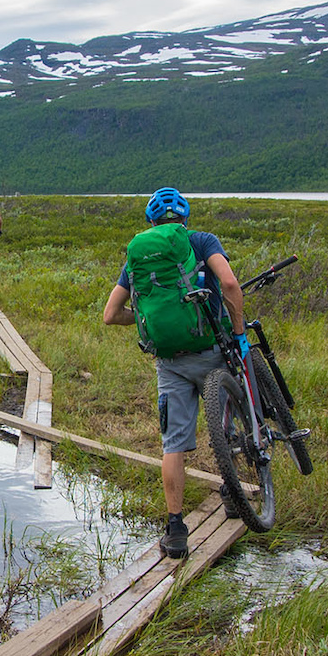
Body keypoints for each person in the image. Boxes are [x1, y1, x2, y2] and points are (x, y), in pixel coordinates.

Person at [102, 188, 247, 560]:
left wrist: (153, 316)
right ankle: (232, 495)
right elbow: (229, 284)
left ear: (150, 224)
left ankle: (176, 530)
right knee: (226, 423)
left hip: (170, 362)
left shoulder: (137, 256)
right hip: (212, 351)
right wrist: (239, 332)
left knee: (173, 445)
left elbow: (110, 314)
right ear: (185, 219)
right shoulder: (201, 241)